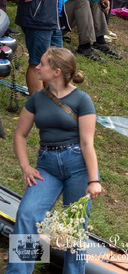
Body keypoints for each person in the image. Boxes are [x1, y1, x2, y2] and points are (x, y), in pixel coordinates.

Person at [7, 48, 102, 274]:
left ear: (57, 71)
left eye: (42, 64)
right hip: (46, 166)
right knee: (28, 214)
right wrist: (26, 167)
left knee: (73, 227)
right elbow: (20, 134)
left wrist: (93, 180)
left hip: (77, 166)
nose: (37, 67)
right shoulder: (37, 98)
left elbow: (88, 143)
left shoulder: (82, 100)